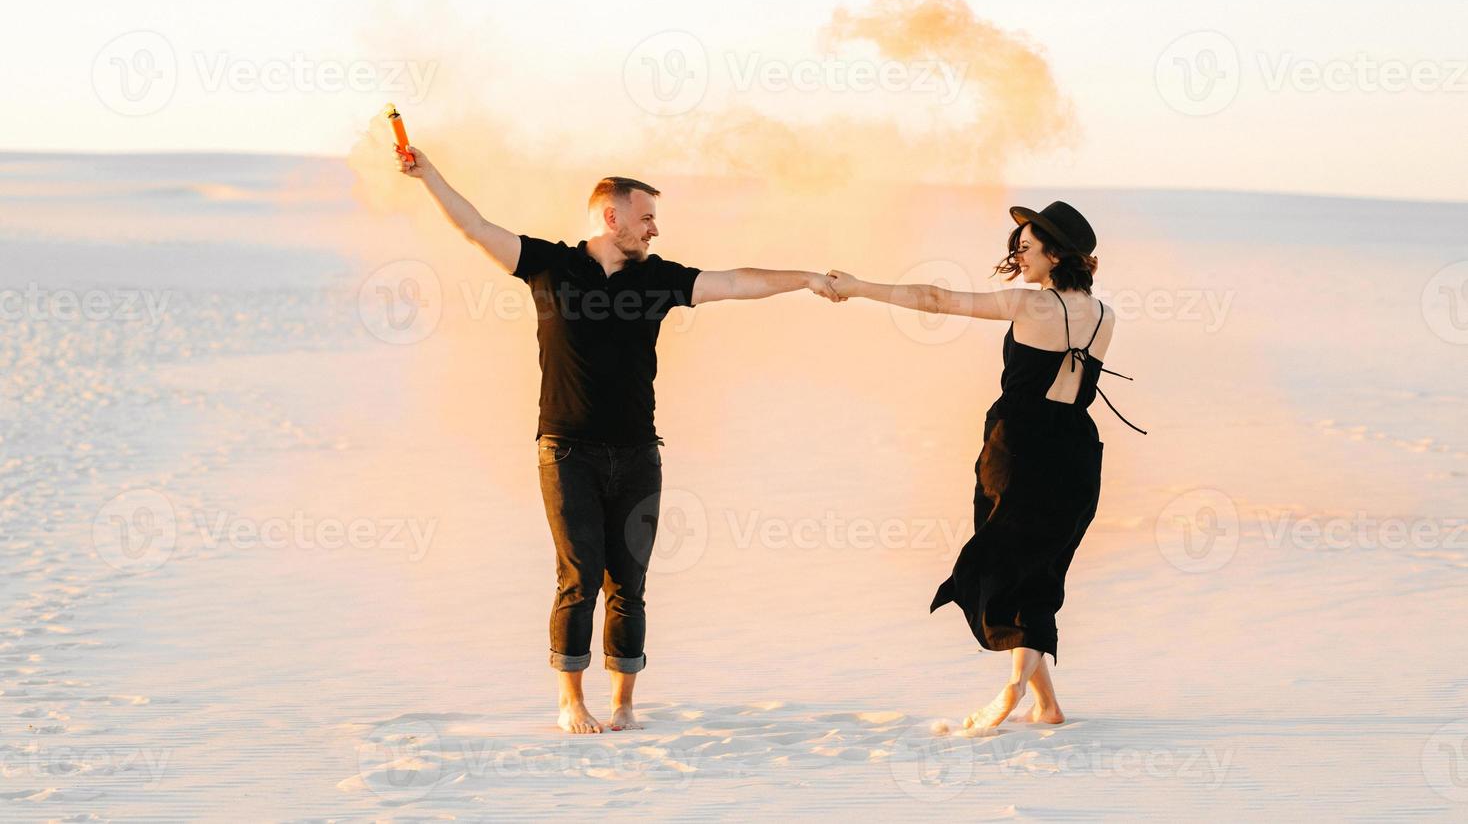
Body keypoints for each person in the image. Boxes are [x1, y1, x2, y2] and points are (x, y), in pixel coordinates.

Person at [396, 146, 839, 734]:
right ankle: (571, 701)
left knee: (629, 582)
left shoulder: (657, 280)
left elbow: (735, 281)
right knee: (578, 578)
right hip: (565, 450)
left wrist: (806, 278)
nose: (655, 228)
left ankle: (625, 703)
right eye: (647, 216)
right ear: (612, 217)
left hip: (637, 453)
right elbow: (475, 227)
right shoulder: (549, 265)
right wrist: (430, 175)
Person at [826, 200, 1145, 730]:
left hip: (1019, 445)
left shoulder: (1028, 305)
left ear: (1056, 253)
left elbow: (934, 298)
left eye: (1027, 245)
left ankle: (1016, 685)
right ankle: (1047, 704)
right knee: (1039, 569)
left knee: (1001, 564)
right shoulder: (1105, 315)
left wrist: (860, 286)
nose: (1017, 253)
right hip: (1078, 451)